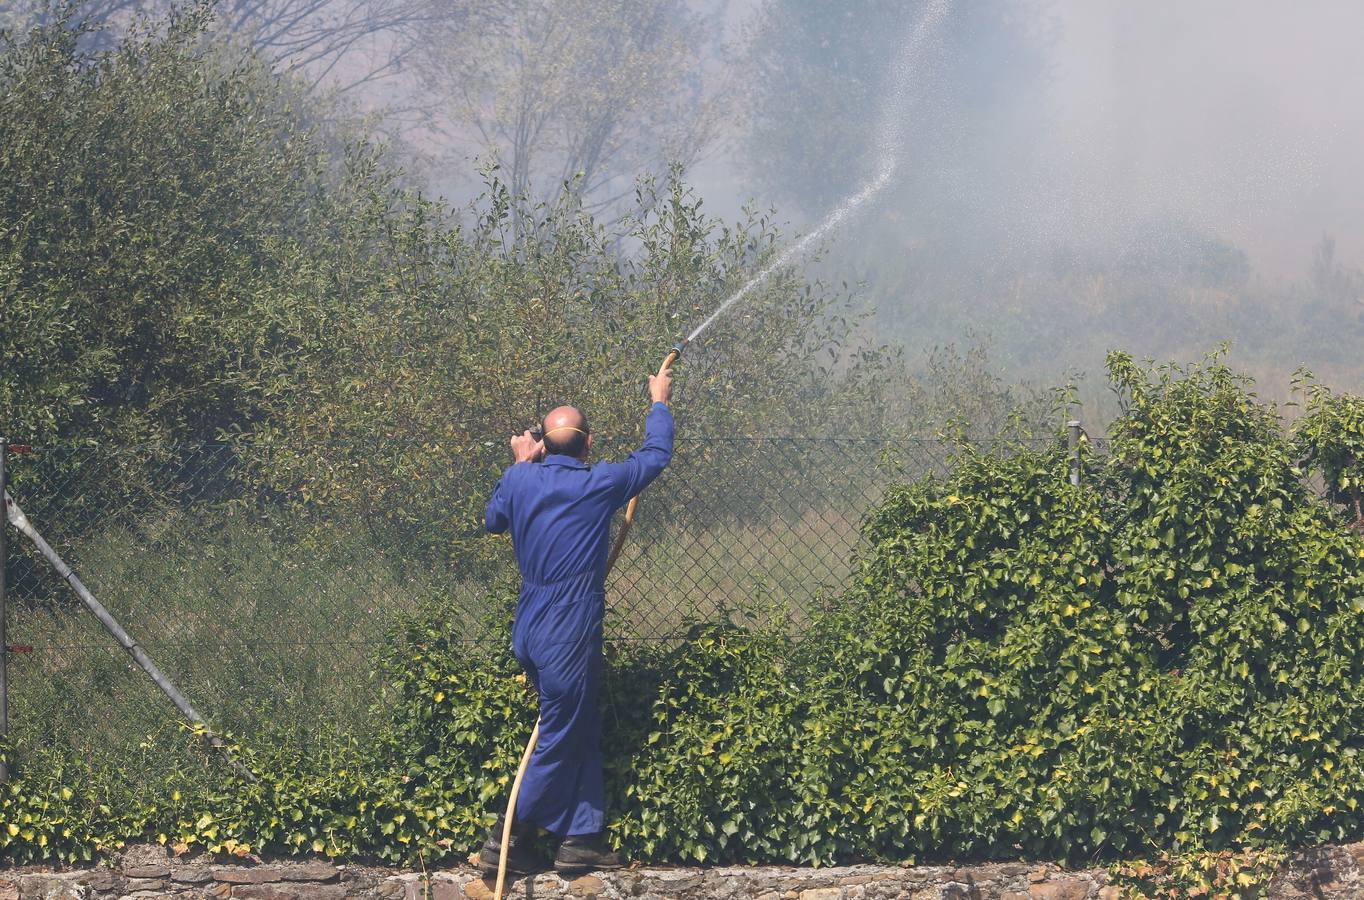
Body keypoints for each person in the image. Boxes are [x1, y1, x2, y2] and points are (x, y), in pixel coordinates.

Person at [479, 369, 675, 875]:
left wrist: (520, 464)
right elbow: (655, 457)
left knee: (580, 723)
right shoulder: (599, 482)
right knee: (560, 733)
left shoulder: (520, 476)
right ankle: (506, 836)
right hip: (568, 628)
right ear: (589, 444)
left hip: (530, 627)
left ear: (542, 444)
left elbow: (493, 520)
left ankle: (581, 838)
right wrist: (659, 401)